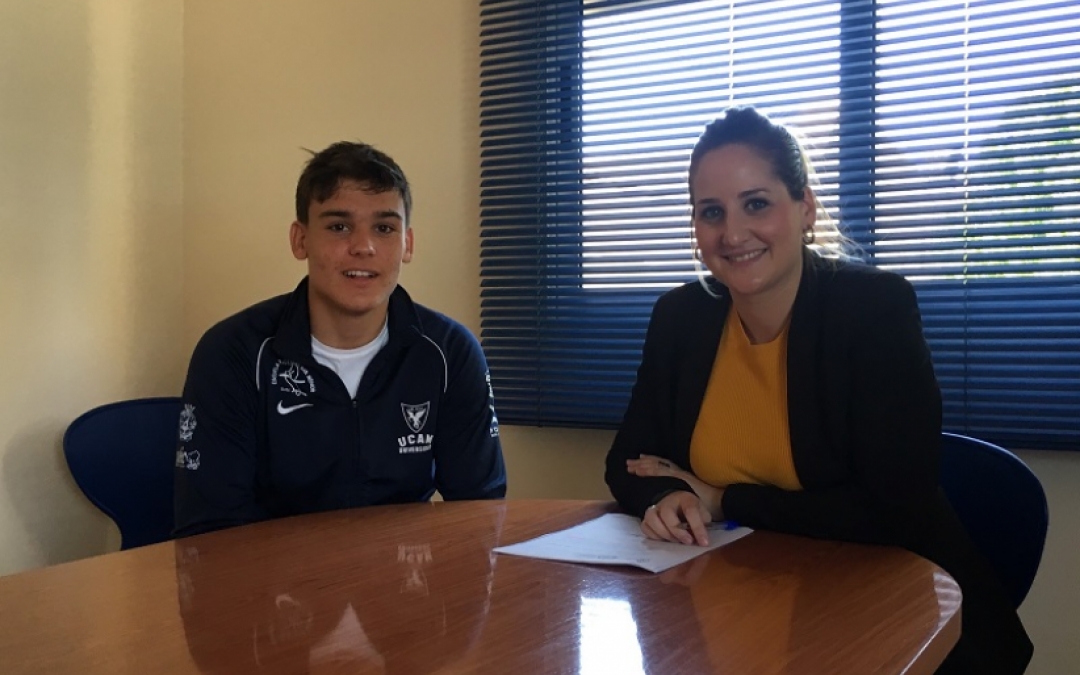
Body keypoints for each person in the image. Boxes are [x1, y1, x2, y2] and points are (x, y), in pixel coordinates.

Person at [604, 106, 1032, 674]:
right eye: (711, 212)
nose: (732, 234)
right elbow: (629, 462)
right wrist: (667, 496)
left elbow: (891, 510)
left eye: (756, 203)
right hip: (734, 604)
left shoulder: (873, 309)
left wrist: (721, 500)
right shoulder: (680, 317)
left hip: (894, 616)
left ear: (804, 207)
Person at [174, 141, 506, 537]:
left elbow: (479, 514)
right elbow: (211, 534)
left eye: (384, 228)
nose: (364, 247)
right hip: (274, 572)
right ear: (300, 240)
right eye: (339, 227)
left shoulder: (450, 353)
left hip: (402, 570)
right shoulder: (234, 353)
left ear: (407, 244)